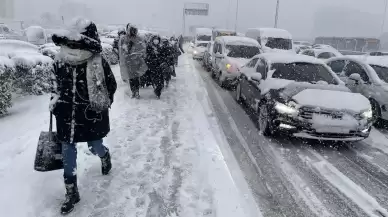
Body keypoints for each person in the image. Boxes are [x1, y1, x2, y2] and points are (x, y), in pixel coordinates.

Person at [50, 18, 117, 215]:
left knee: (94, 146)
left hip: (90, 115)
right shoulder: (60, 60)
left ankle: (104, 156)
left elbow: (110, 85)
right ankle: (71, 192)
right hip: (66, 115)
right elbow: (54, 86)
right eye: (70, 42)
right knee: (68, 152)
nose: (72, 46)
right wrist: (55, 102)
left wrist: (100, 103)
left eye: (76, 42)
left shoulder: (97, 61)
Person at [118, 23, 147, 98]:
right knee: (131, 77)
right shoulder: (124, 38)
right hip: (128, 61)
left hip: (136, 61)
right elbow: (122, 50)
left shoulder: (139, 38)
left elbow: (143, 49)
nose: (133, 32)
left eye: (134, 30)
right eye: (131, 30)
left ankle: (136, 92)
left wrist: (137, 54)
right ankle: (133, 92)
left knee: (136, 77)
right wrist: (126, 52)